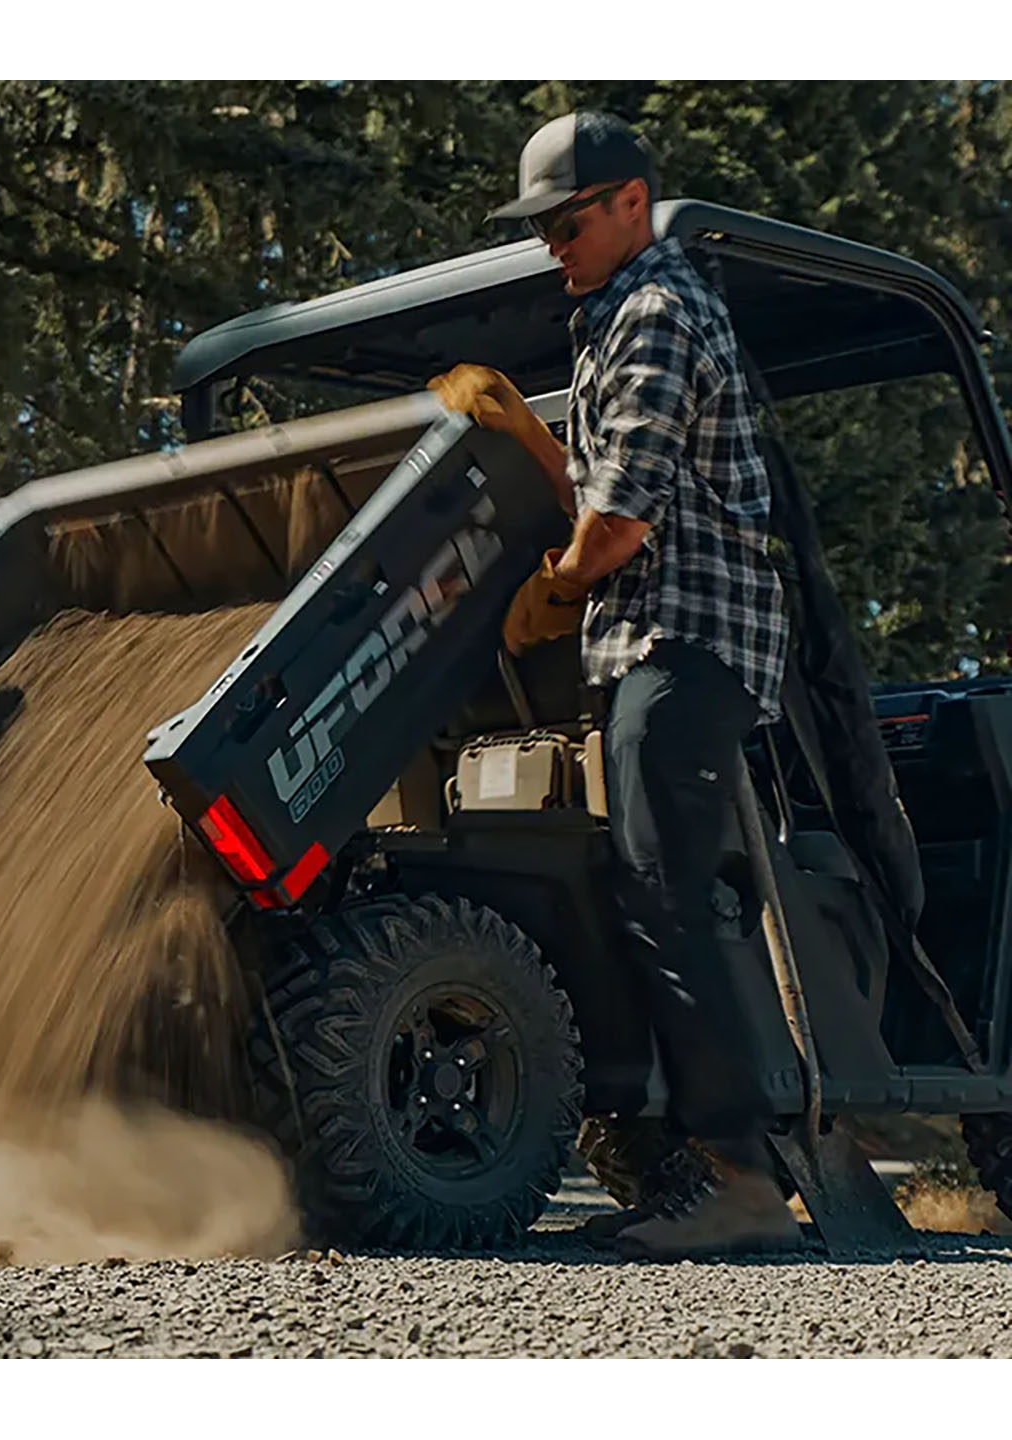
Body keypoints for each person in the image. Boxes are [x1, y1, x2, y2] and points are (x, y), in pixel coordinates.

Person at [429, 111, 799, 1259]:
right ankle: (679, 1154)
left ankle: (740, 1176)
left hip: (689, 637)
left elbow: (624, 513)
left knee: (665, 890)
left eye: (567, 220)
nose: (552, 243)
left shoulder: (655, 308)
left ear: (631, 201)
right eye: (539, 228)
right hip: (649, 642)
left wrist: (556, 584)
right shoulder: (612, 320)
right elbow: (598, 479)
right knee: (645, 886)